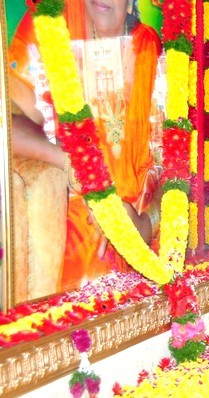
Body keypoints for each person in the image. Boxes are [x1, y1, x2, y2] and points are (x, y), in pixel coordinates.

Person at [9, 0, 161, 292]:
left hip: (144, 235)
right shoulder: (48, 24)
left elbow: (180, 170)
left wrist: (143, 223)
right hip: (71, 228)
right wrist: (67, 161)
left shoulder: (150, 50)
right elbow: (8, 120)